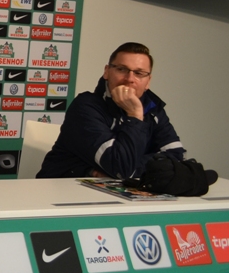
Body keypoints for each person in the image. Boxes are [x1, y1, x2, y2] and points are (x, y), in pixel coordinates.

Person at [37, 42, 184, 179]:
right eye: (122, 69)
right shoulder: (86, 106)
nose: (130, 79)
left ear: (148, 81)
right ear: (107, 72)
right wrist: (134, 115)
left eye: (139, 73)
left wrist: (132, 170)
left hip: (119, 191)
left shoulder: (153, 108)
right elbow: (120, 167)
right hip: (63, 190)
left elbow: (176, 156)